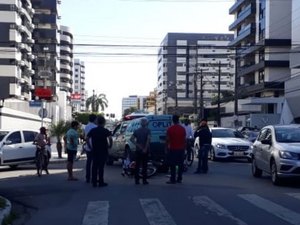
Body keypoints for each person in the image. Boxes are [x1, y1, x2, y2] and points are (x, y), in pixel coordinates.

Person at [87, 115, 112, 187]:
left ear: (97, 122)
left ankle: (94, 182)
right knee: (101, 167)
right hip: (103, 150)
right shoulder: (105, 130)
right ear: (103, 122)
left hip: (95, 150)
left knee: (94, 166)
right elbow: (110, 138)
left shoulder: (93, 130)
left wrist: (89, 146)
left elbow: (87, 138)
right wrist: (110, 145)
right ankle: (101, 181)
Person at [165, 114, 186, 184]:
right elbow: (184, 139)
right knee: (180, 164)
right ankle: (179, 178)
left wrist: (166, 148)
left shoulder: (170, 129)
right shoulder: (182, 129)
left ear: (172, 120)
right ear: (178, 120)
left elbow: (167, 140)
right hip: (181, 149)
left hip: (172, 149)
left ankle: (173, 179)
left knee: (172, 165)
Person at [129, 117, 151, 185]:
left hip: (138, 150)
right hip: (145, 150)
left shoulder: (137, 130)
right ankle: (144, 180)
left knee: (137, 165)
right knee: (144, 166)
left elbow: (131, 139)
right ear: (146, 123)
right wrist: (145, 148)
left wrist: (138, 146)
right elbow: (148, 140)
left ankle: (137, 180)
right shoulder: (148, 130)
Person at [83, 114, 97, 183]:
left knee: (88, 162)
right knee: (95, 163)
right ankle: (94, 177)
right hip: (94, 147)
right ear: (95, 119)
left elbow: (85, 137)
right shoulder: (95, 127)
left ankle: (87, 177)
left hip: (88, 147)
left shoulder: (86, 127)